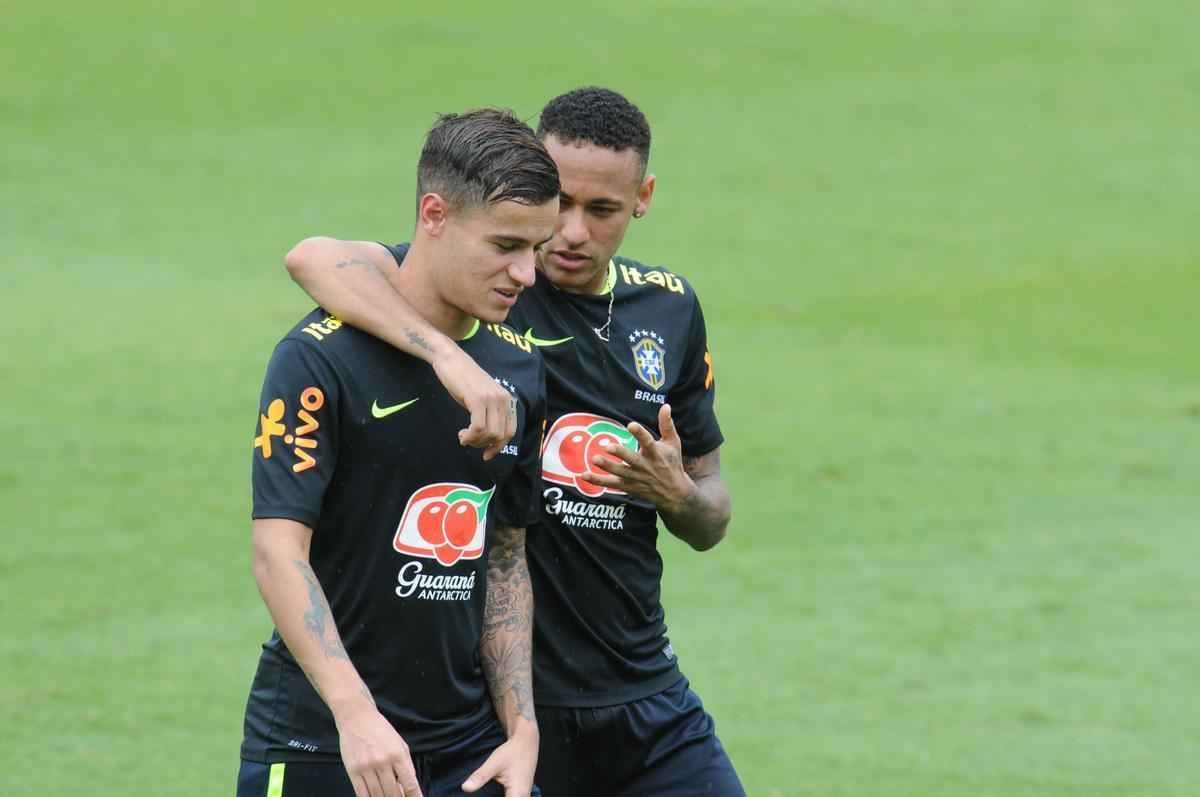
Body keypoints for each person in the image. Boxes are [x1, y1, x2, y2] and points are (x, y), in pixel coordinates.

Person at [283, 87, 745, 796]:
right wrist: (450, 357)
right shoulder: (489, 288)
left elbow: (712, 513)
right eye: (561, 205)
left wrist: (678, 494)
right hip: (501, 708)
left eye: (602, 210)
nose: (571, 235)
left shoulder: (670, 309)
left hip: (642, 686)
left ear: (643, 198)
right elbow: (315, 258)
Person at [239, 108, 558, 797]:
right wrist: (356, 715)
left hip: (470, 749)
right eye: (506, 245)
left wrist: (522, 728)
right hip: (326, 743)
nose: (527, 273)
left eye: (537, 247)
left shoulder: (519, 371)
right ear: (434, 215)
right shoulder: (319, 359)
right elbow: (277, 553)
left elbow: (505, 554)